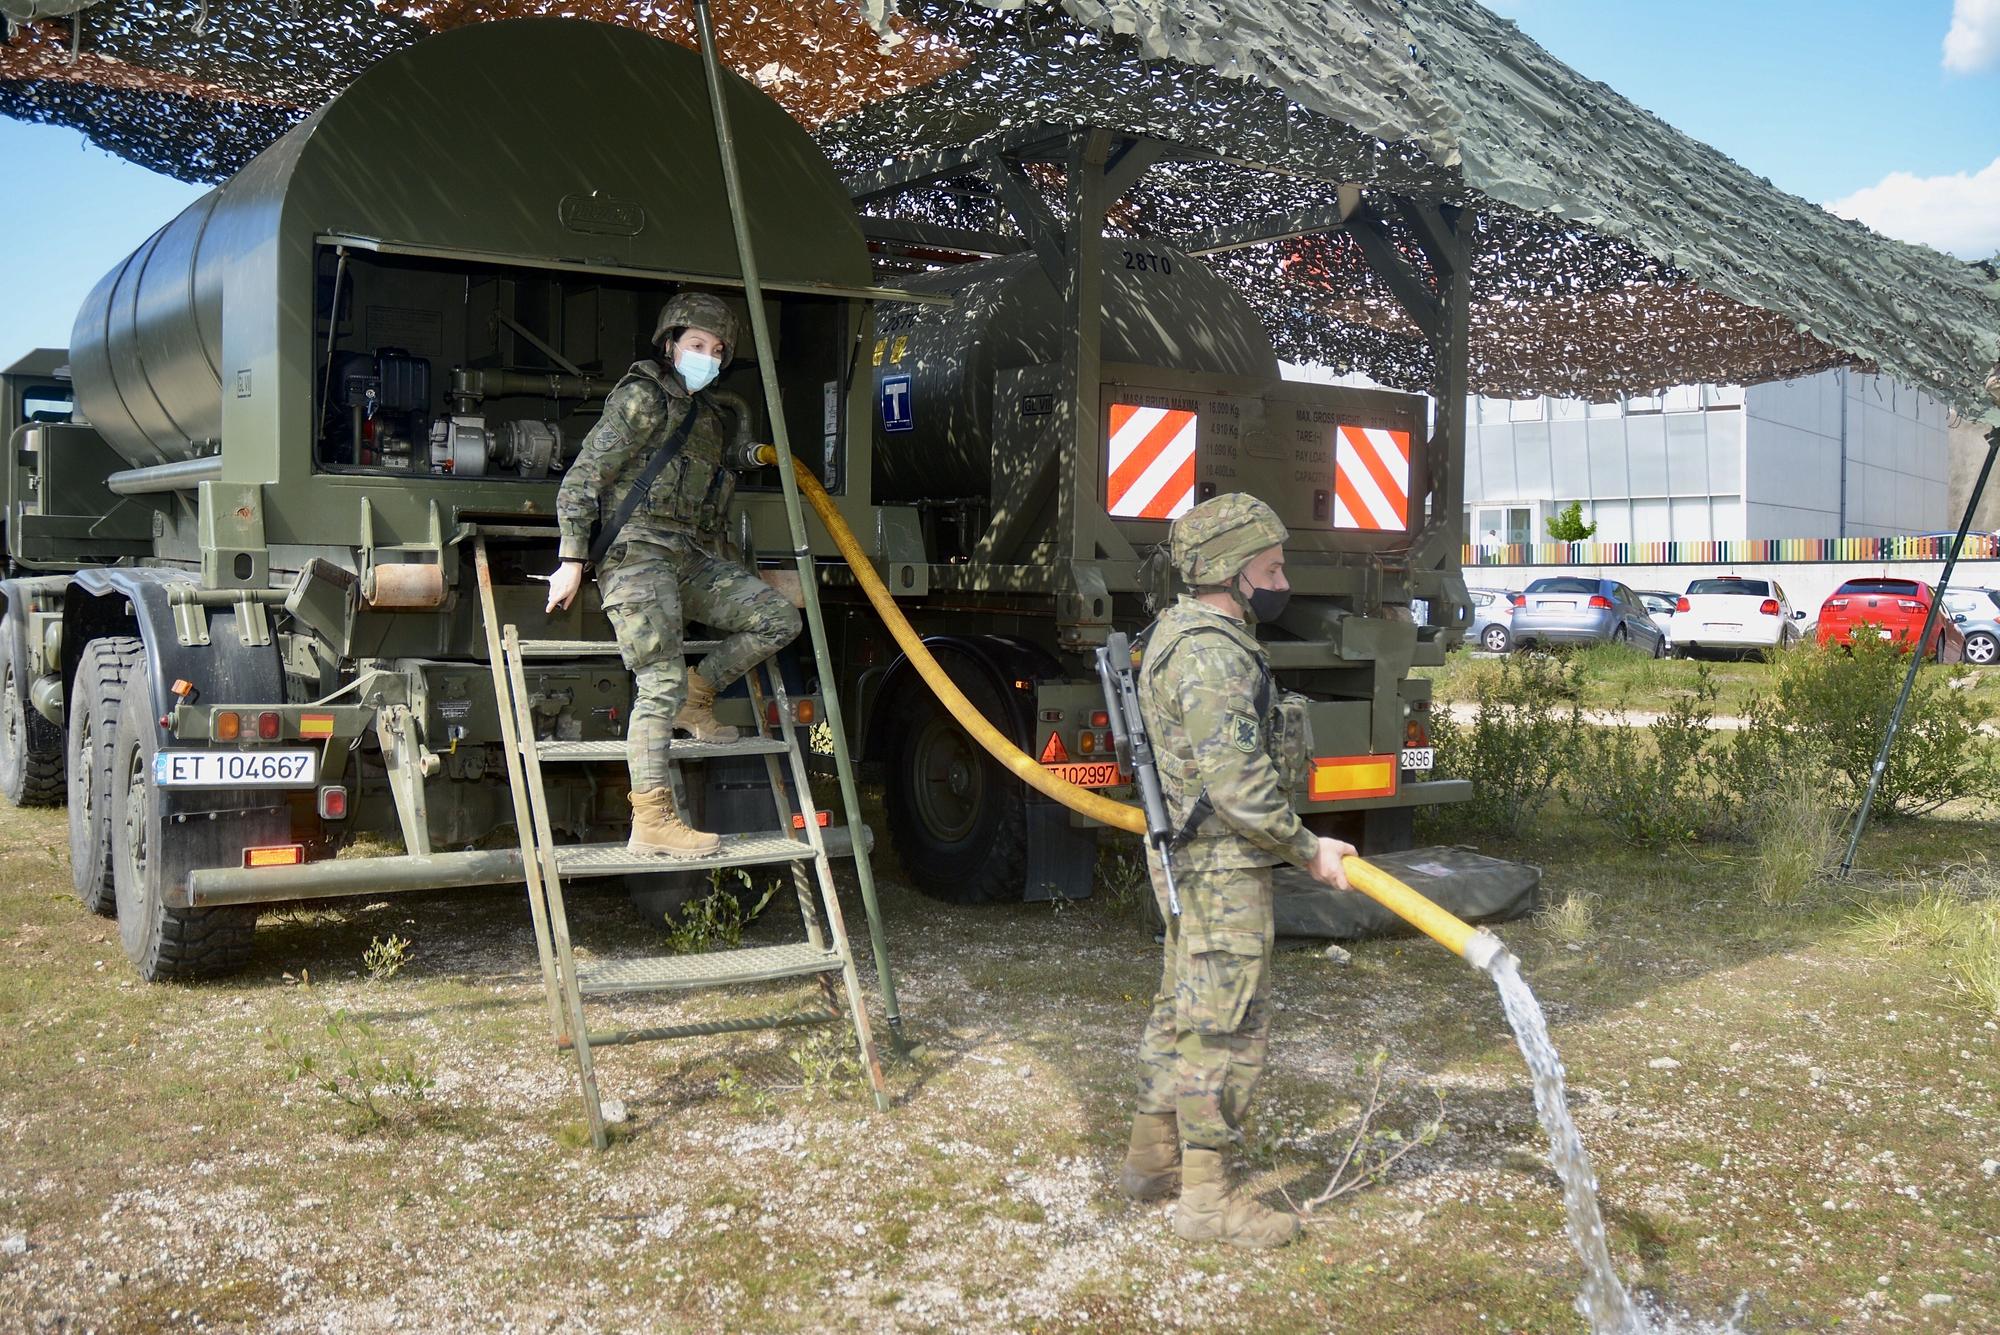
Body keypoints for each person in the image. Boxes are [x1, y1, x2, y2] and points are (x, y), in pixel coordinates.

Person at [1117, 492, 1357, 1250]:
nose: (1283, 578)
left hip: (1200, 859)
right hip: (1221, 865)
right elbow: (1238, 785)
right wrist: (1310, 846)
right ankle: (1206, 1203)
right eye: (1272, 565)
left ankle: (1151, 1164)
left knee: (1183, 1009)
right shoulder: (1212, 652)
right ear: (1228, 569)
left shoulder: (1185, 633)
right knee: (1225, 1029)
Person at [544, 291, 801, 857]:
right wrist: (570, 560)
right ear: (670, 346)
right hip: (634, 554)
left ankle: (698, 695)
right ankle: (653, 820)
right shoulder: (642, 398)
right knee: (657, 679)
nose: (706, 356)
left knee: (777, 619)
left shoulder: (707, 417)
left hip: (687, 556)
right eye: (696, 345)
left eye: (716, 350)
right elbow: (582, 479)